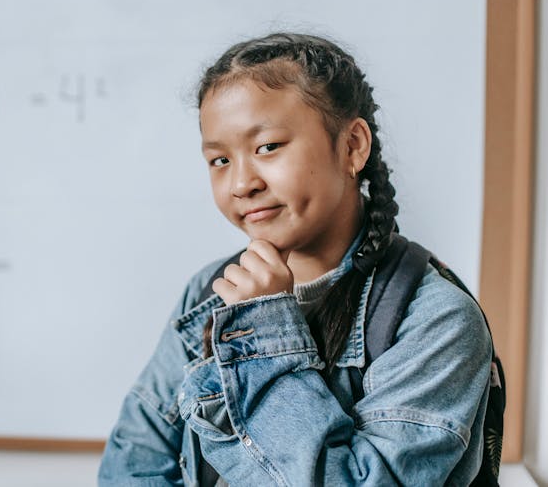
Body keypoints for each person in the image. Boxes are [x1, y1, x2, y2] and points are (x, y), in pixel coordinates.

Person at [98, 33, 492, 486]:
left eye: (267, 147)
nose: (242, 183)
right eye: (220, 159)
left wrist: (263, 330)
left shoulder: (435, 321)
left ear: (353, 146)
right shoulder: (209, 293)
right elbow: (133, 462)